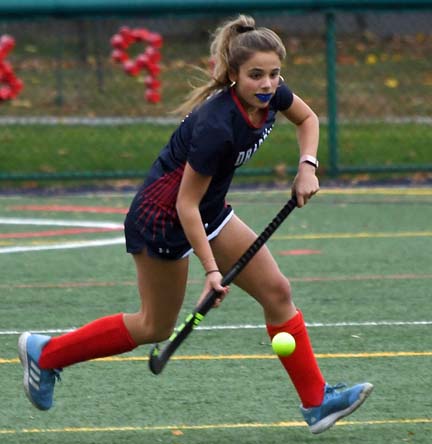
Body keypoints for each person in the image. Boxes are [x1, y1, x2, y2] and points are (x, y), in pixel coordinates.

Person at [18, 14, 373, 434]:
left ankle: (316, 402)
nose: (267, 84)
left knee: (277, 291)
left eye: (274, 74)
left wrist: (307, 167)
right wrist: (211, 270)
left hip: (209, 211)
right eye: (256, 75)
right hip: (163, 220)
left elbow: (308, 119)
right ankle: (47, 354)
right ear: (234, 75)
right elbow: (184, 205)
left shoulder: (272, 95)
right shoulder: (217, 127)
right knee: (154, 325)